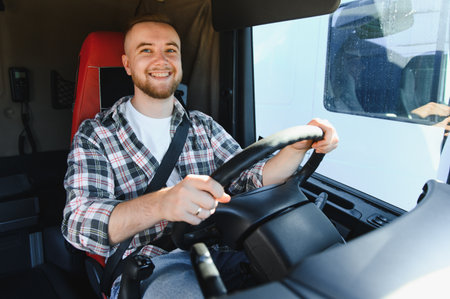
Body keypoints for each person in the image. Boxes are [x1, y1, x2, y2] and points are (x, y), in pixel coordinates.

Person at [62, 14, 339, 298]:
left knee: (319, 277)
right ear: (127, 64)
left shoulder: (201, 124)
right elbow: (78, 222)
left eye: (171, 50)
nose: (162, 60)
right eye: (146, 50)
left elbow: (252, 178)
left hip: (226, 244)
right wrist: (161, 204)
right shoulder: (96, 134)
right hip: (154, 261)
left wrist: (295, 149)